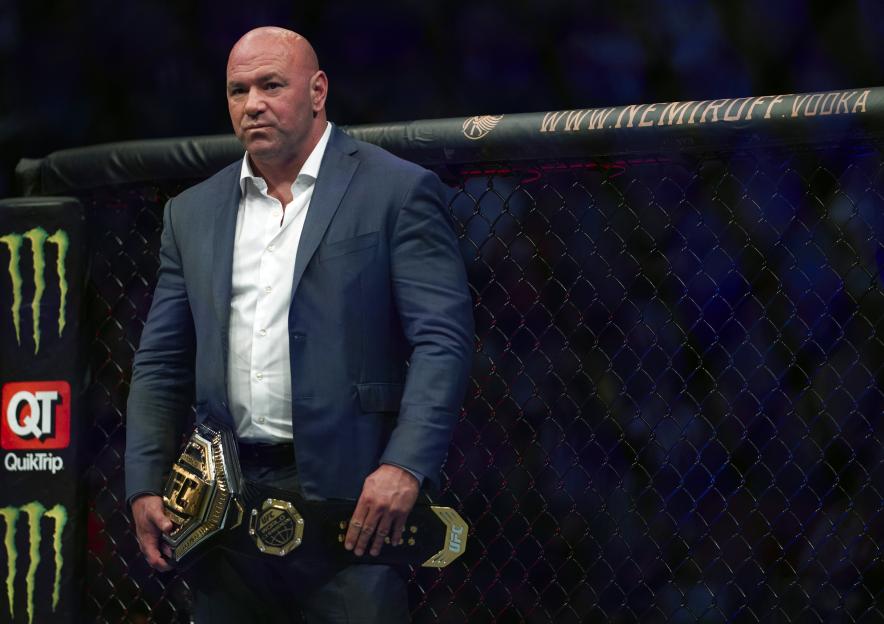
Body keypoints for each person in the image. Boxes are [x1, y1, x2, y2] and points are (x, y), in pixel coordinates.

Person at [124, 26, 474, 623]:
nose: (252, 104)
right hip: (224, 501)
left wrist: (405, 465)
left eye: (271, 85)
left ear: (317, 91)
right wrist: (144, 482)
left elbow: (442, 339)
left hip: (353, 499)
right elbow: (160, 360)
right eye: (238, 90)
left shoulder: (396, 190)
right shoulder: (192, 212)